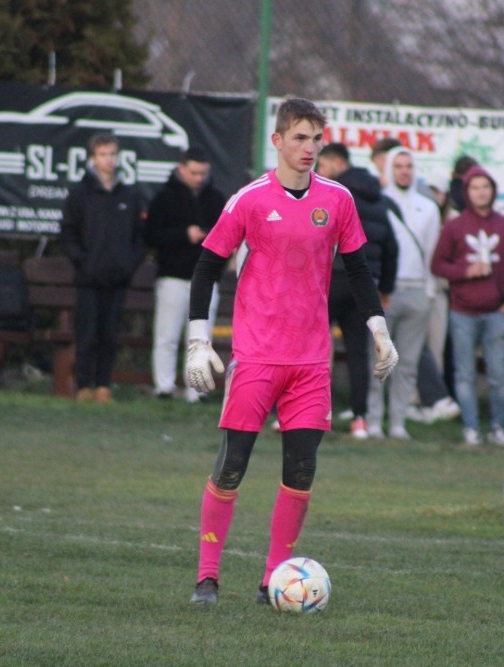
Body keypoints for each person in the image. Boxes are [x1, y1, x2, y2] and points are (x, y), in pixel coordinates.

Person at [185, 98, 399, 606]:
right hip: (257, 355)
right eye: (300, 138)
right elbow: (207, 266)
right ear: (277, 141)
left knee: (300, 472)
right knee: (231, 466)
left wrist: (379, 328)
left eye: (316, 139)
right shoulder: (250, 199)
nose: (310, 148)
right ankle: (207, 579)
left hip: (310, 361)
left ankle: (273, 581)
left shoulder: (338, 199)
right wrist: (198, 341)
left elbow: (358, 269)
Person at [431, 165, 504, 446]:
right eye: (475, 187)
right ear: (466, 192)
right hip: (463, 312)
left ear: (493, 191)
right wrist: (465, 271)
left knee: (500, 376)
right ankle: (471, 428)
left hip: (497, 312)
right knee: (465, 374)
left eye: (486, 187)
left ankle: (497, 426)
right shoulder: (454, 226)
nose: (481, 193)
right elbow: (438, 265)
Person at [316, 142, 399, 439]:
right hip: (365, 284)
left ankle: (311, 412)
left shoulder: (332, 194)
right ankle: (360, 419)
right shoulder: (378, 198)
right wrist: (385, 287)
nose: (319, 171)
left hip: (332, 277)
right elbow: (392, 247)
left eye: (322, 165)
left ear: (338, 163)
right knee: (358, 353)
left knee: (313, 346)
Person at [59, 132, 145, 403]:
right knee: (87, 334)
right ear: (93, 158)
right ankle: (83, 385)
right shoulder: (79, 193)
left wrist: (129, 264)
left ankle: (104, 386)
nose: (109, 160)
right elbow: (68, 233)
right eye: (103, 154)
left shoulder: (129, 194)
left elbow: (139, 236)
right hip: (89, 279)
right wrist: (83, 262)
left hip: (117, 278)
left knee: (110, 335)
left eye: (112, 154)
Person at [367, 146, 441, 440]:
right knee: (379, 360)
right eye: (398, 166)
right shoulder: (378, 203)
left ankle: (397, 423)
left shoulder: (429, 207)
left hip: (418, 291)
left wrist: (429, 292)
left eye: (408, 166)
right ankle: (374, 421)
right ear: (388, 169)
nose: (404, 171)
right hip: (385, 292)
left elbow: (432, 253)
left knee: (407, 363)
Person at [145, 147, 227, 402]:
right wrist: (183, 234)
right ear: (181, 169)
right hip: (172, 277)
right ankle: (164, 388)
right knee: (166, 336)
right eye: (194, 173)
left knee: (201, 339)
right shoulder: (164, 198)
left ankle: (196, 392)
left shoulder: (216, 199)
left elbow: (227, 237)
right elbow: (151, 235)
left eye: (203, 173)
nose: (199, 178)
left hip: (206, 280)